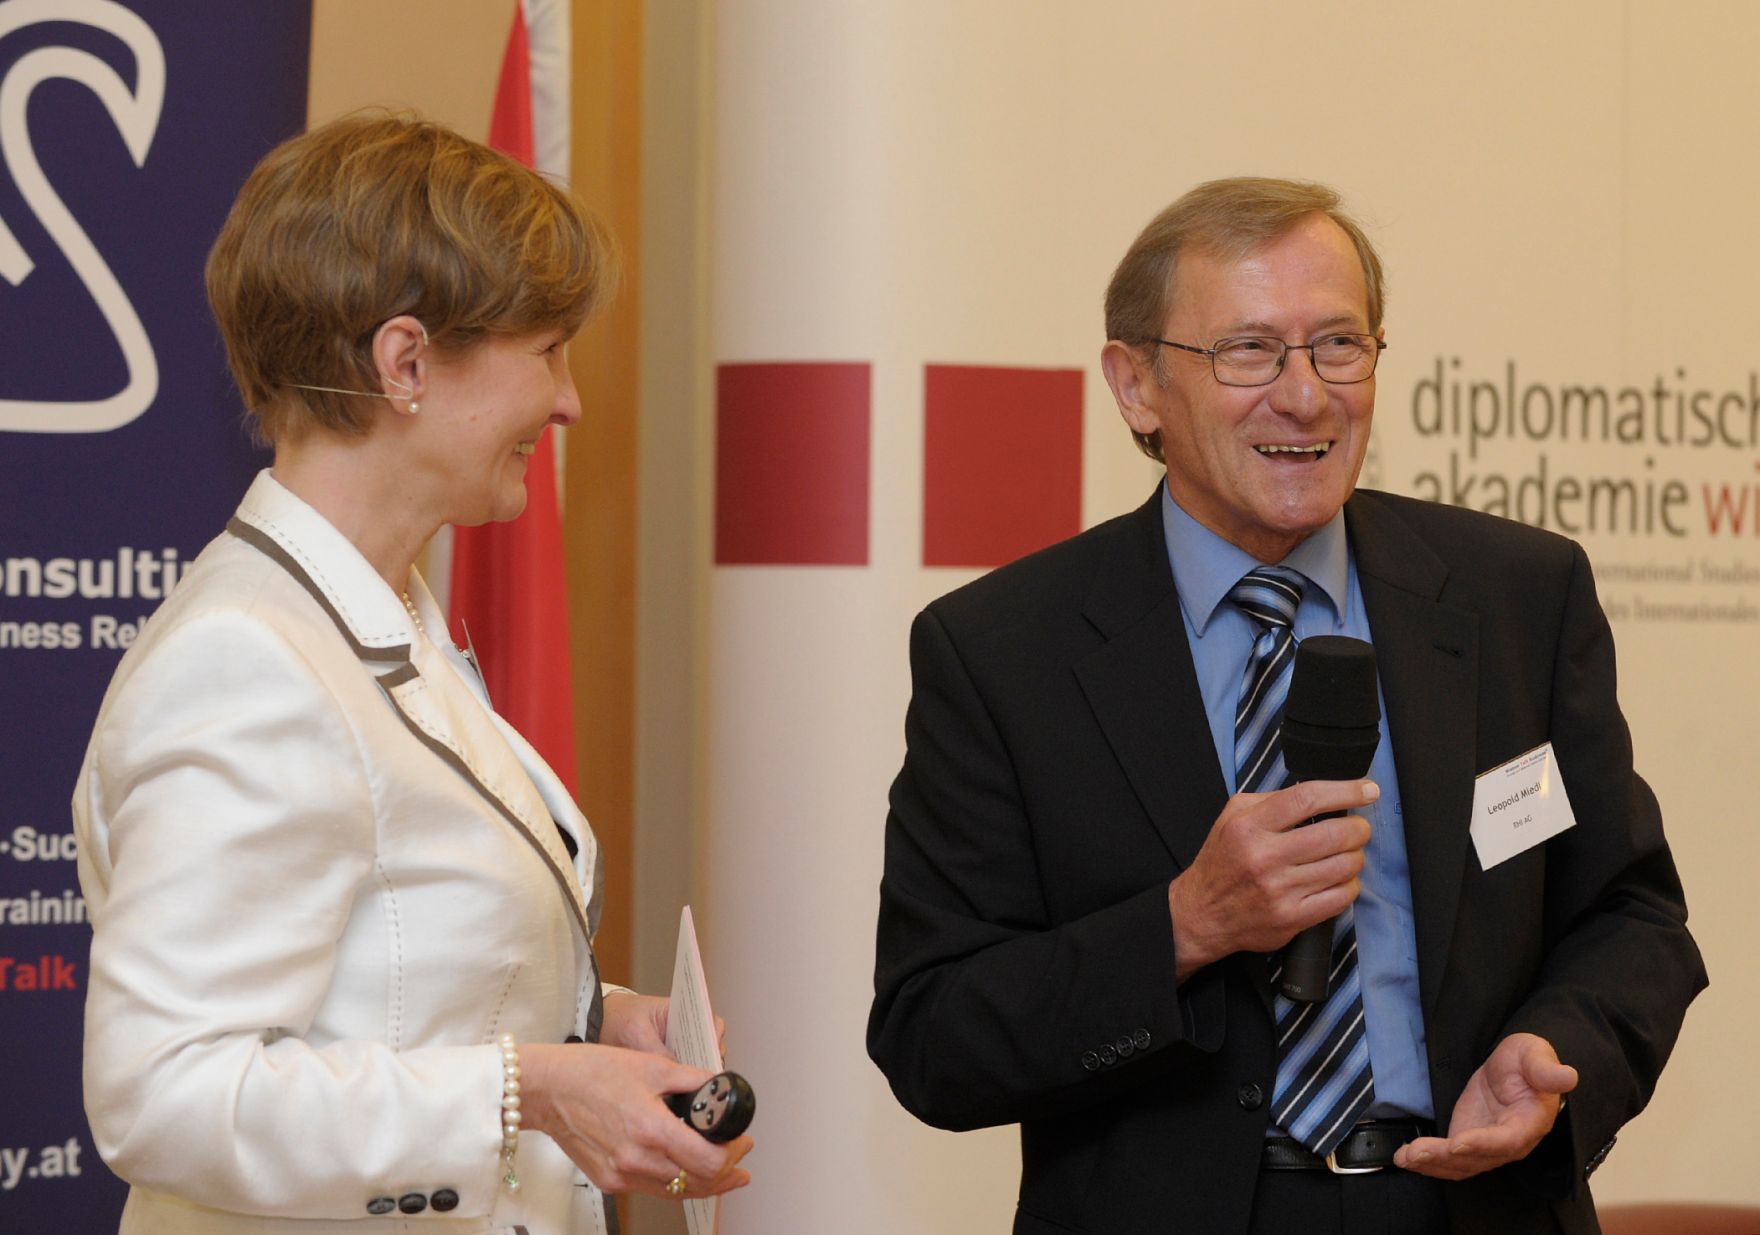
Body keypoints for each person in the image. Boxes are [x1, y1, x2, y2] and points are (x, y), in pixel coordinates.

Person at [867, 177, 1704, 1234]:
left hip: (1465, 1202)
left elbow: (1630, 915)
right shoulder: (1002, 652)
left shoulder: (1514, 597)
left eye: (1338, 344)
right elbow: (932, 1032)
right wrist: (1182, 925)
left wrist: (1554, 1049)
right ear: (1134, 386)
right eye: (1248, 351)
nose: (1304, 395)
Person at [71, 113, 751, 1234]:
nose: (569, 400)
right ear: (405, 363)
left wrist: (600, 1021)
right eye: (546, 351)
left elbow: (401, 973)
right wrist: (529, 1087)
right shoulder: (246, 661)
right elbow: (163, 1094)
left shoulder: (380, 617)